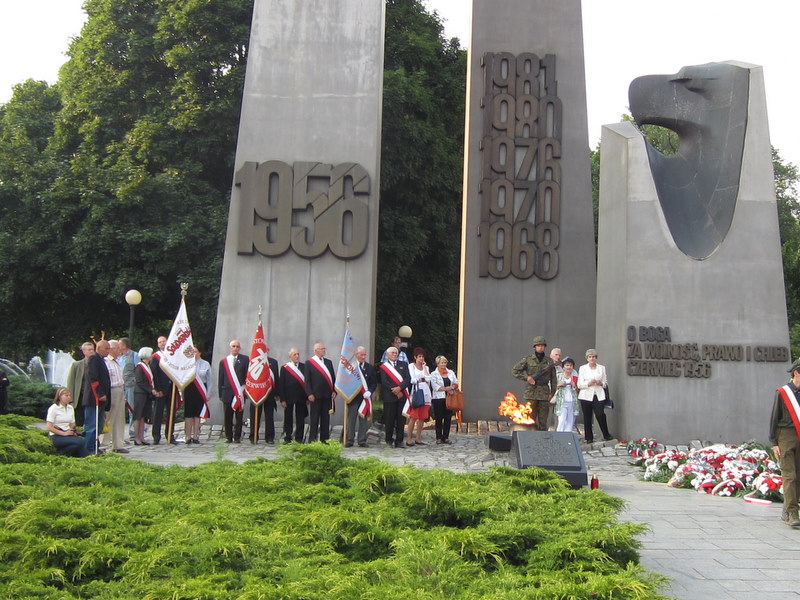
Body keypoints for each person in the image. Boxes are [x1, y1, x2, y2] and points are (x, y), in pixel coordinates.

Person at [770, 360, 800, 527]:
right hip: (786, 436)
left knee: (799, 477)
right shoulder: (783, 393)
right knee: (790, 476)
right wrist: (774, 442)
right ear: (796, 373)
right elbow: (774, 417)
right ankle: (793, 513)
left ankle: (786, 509)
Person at [512, 336, 557, 431]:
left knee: (543, 421)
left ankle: (542, 441)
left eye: (542, 345)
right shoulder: (528, 360)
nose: (540, 347)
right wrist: (527, 378)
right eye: (538, 345)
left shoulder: (549, 361)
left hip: (544, 394)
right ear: (534, 347)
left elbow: (554, 379)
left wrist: (552, 394)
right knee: (529, 420)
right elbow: (515, 371)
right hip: (531, 393)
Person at [577, 348, 612, 443]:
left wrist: (600, 383)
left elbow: (605, 383)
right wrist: (589, 383)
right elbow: (579, 384)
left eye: (593, 357)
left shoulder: (601, 368)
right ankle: (589, 437)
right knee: (587, 416)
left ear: (596, 358)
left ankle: (606, 434)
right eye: (589, 357)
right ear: (587, 358)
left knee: (600, 414)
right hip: (586, 395)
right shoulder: (583, 368)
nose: (592, 359)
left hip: (598, 394)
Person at [83, 339, 111, 455]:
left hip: (100, 398)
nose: (108, 351)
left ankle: (95, 446)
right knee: (92, 425)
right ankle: (89, 448)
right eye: (106, 348)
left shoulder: (101, 360)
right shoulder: (94, 358)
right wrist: (100, 393)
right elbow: (93, 378)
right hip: (94, 398)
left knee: (99, 425)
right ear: (99, 348)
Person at [345, 346, 377, 447]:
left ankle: (362, 440)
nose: (363, 357)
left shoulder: (369, 367)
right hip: (353, 398)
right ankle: (350, 440)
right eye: (361, 355)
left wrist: (370, 391)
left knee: (363, 420)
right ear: (356, 354)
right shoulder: (351, 367)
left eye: (364, 355)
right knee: (351, 419)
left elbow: (373, 383)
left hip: (365, 398)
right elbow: (346, 382)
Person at [380, 346, 411, 448]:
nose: (394, 354)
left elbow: (407, 379)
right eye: (392, 353)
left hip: (401, 396)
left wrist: (400, 388)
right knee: (389, 420)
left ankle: (399, 441)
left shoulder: (404, 364)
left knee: (401, 420)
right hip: (389, 396)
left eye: (396, 353)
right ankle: (389, 440)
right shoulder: (384, 366)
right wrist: (395, 390)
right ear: (388, 354)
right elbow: (384, 381)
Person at [305, 341, 337, 442]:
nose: (324, 350)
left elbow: (332, 378)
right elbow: (307, 380)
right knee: (314, 419)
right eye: (322, 349)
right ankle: (312, 439)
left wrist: (334, 391)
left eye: (324, 349)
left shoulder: (328, 362)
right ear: (316, 351)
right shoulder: (309, 362)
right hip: (315, 395)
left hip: (327, 395)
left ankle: (325, 439)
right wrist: (309, 393)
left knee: (325, 419)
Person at [102, 340, 129, 453]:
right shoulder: (106, 362)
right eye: (118, 348)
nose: (120, 350)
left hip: (120, 389)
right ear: (112, 349)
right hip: (111, 391)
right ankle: (103, 444)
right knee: (109, 418)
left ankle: (118, 444)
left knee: (119, 418)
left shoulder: (117, 361)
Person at [219, 339, 248, 443]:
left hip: (240, 392)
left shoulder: (245, 360)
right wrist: (220, 394)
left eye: (237, 346)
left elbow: (247, 377)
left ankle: (237, 437)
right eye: (233, 346)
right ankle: (228, 436)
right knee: (228, 416)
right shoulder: (224, 361)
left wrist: (246, 392)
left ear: (239, 348)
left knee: (239, 417)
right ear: (230, 348)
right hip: (227, 393)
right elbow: (221, 378)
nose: (235, 348)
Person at [46, 388, 89, 457]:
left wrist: (72, 430)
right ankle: (86, 458)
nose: (69, 397)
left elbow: (72, 423)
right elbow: (49, 427)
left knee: (78, 444)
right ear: (59, 397)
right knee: (81, 442)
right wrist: (64, 433)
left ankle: (62, 455)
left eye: (69, 396)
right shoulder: (53, 408)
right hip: (56, 435)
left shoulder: (70, 408)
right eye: (66, 395)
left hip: (68, 433)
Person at [249, 353, 280, 444]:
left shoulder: (273, 362)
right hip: (256, 394)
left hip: (269, 393)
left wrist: (277, 393)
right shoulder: (254, 361)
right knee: (255, 416)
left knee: (269, 416)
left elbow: (276, 378)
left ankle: (269, 437)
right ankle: (253, 436)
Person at [183, 346, 212, 444]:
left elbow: (209, 380)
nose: (193, 353)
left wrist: (208, 393)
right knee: (188, 414)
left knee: (197, 414)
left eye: (195, 351)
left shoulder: (205, 364)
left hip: (201, 390)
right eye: (192, 352)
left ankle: (196, 436)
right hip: (189, 389)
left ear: (200, 353)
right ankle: (188, 436)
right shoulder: (187, 364)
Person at [279, 348, 307, 443]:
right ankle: (288, 436)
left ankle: (299, 437)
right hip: (288, 397)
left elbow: (307, 383)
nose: (297, 356)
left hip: (301, 397)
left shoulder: (304, 367)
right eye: (294, 354)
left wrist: (307, 397)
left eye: (298, 354)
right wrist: (282, 399)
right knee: (288, 417)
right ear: (290, 356)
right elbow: (281, 384)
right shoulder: (285, 368)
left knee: (300, 418)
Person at [151, 335, 175, 444]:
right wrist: (157, 388)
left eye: (164, 341)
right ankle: (156, 436)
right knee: (158, 413)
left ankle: (170, 435)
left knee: (171, 412)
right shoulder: (156, 357)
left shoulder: (173, 355)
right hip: (161, 389)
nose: (162, 343)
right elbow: (154, 374)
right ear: (158, 344)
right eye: (160, 342)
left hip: (171, 387)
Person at [430, 355, 458, 445]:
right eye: (442, 363)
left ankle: (446, 437)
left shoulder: (450, 372)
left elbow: (456, 382)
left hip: (449, 398)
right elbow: (435, 387)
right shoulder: (434, 374)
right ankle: (438, 437)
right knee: (439, 418)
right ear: (438, 364)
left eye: (445, 362)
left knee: (448, 418)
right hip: (438, 398)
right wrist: (447, 388)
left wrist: (452, 387)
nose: (444, 364)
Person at [406, 347, 432, 446]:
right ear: (415, 357)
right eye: (419, 356)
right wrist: (421, 379)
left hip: (425, 392)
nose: (421, 358)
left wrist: (424, 368)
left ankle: (418, 438)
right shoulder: (411, 366)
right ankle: (409, 438)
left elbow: (429, 379)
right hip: (417, 392)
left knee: (422, 417)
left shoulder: (427, 367)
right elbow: (413, 379)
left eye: (422, 356)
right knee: (414, 416)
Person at [65, 341, 94, 427]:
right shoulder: (76, 365)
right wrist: (70, 398)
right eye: (89, 350)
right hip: (80, 396)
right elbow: (71, 382)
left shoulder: (97, 364)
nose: (91, 351)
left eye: (92, 349)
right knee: (79, 418)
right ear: (84, 351)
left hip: (92, 396)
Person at [132, 347, 157, 445]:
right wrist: (151, 390)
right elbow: (140, 381)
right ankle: (136, 437)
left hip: (146, 394)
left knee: (143, 416)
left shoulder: (147, 366)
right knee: (138, 416)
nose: (152, 355)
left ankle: (141, 437)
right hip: (140, 393)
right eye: (151, 354)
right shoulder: (139, 367)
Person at [117, 337, 139, 438]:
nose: (118, 346)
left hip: (131, 385)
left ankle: (133, 431)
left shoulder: (134, 355)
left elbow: (138, 369)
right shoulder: (119, 357)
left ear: (125, 345)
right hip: (121, 385)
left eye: (119, 344)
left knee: (132, 408)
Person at [553, 356, 578, 433]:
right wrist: (559, 385)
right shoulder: (558, 376)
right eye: (567, 365)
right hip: (561, 401)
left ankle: (568, 437)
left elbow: (578, 390)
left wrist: (574, 385)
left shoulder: (575, 377)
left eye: (570, 365)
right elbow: (552, 387)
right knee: (562, 420)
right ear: (563, 367)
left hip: (572, 401)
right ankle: (559, 436)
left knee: (570, 421)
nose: (569, 367)